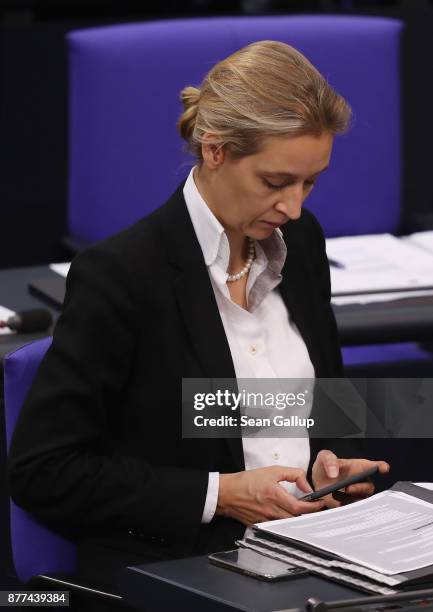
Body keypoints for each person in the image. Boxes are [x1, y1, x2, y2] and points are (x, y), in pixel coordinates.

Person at [8, 40, 388, 597]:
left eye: (311, 182)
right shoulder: (121, 276)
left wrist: (326, 463)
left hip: (308, 555)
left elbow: (316, 406)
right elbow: (43, 469)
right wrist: (222, 493)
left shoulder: (300, 244)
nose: (295, 207)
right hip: (180, 566)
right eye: (276, 182)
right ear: (215, 150)